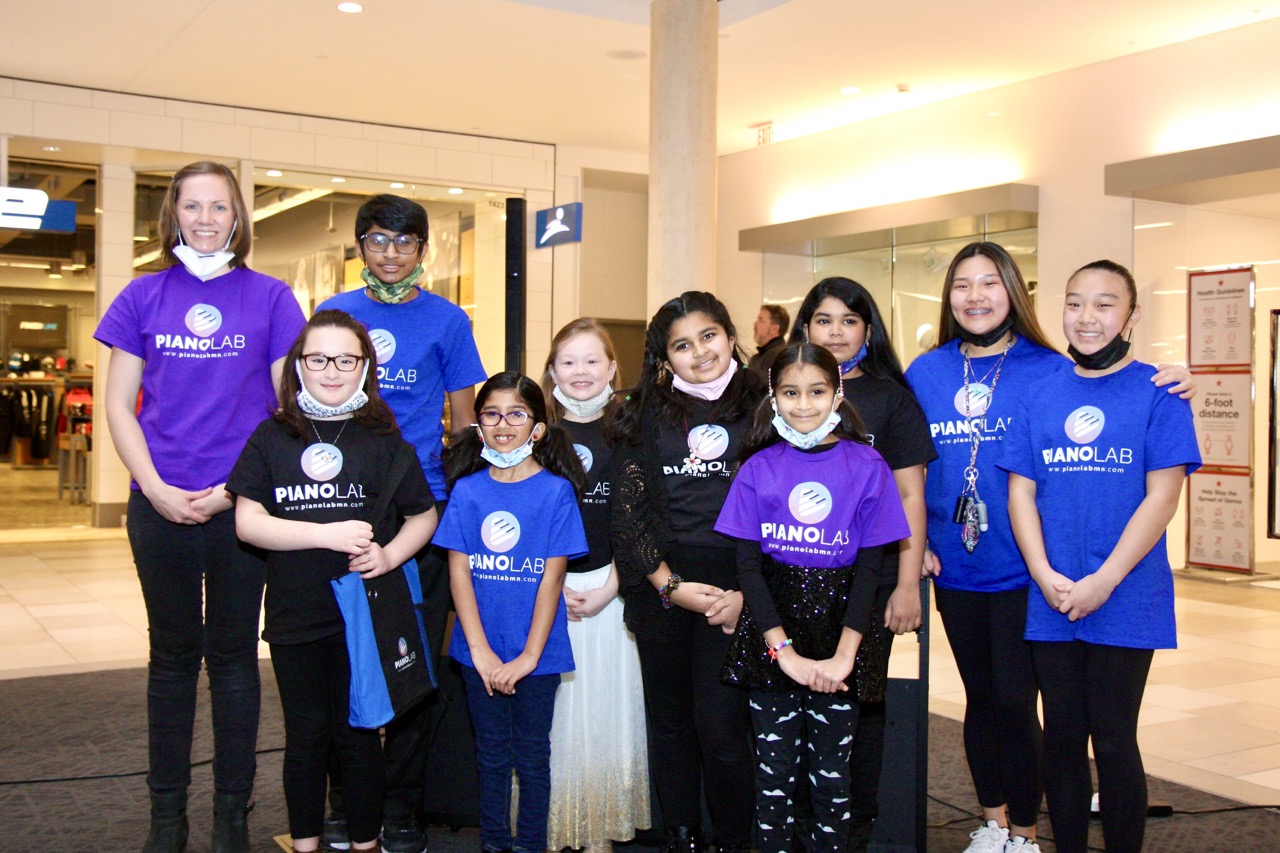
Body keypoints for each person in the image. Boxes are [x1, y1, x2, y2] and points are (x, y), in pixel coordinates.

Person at [904, 242, 1193, 853]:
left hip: (1075, 580)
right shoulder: (949, 375)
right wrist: (919, 544)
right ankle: (1004, 827)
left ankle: (1035, 834)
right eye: (962, 284)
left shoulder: (1071, 376)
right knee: (1021, 716)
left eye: (990, 282)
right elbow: (926, 470)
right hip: (1000, 576)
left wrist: (1181, 376)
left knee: (1082, 726)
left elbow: (1155, 487)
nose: (975, 296)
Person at [95, 160, 306, 853]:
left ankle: (228, 815)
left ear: (239, 217)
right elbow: (118, 406)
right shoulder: (141, 295)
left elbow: (287, 410)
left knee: (237, 659)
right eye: (194, 206)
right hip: (158, 502)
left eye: (220, 207)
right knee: (172, 658)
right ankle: (166, 817)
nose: (207, 218)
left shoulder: (273, 298)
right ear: (173, 215)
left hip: (239, 507)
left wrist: (233, 490)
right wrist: (153, 486)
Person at [1001, 260, 1199, 853]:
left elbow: (1162, 498)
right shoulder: (1040, 393)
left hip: (1128, 591)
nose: (1087, 317)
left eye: (1105, 304)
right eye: (1075, 302)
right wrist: (1044, 575)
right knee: (1061, 736)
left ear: (1132, 315)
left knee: (1113, 739)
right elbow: (1021, 492)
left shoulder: (1160, 393)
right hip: (1053, 592)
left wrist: (1105, 580)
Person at [228, 310, 439, 853]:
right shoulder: (273, 434)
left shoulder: (384, 439)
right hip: (296, 612)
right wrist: (328, 534)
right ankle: (305, 845)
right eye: (318, 358)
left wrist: (390, 556)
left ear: (364, 367)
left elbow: (424, 515)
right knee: (305, 737)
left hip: (365, 612)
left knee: (359, 734)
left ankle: (366, 843)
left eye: (346, 360)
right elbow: (248, 523)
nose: (331, 370)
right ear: (299, 365)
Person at [316, 194, 486, 853]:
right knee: (345, 658)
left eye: (404, 241)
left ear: (423, 249)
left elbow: (466, 424)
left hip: (425, 510)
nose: (391, 252)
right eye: (378, 240)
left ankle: (403, 806)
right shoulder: (334, 317)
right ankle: (343, 802)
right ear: (360, 244)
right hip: (340, 508)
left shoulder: (447, 320)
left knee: (414, 667)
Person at [717, 342, 910, 853]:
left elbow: (870, 571)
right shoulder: (757, 468)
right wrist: (784, 653)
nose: (804, 405)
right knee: (774, 778)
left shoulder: (869, 466)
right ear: (773, 398)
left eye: (817, 392)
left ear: (838, 393)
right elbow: (748, 569)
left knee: (831, 780)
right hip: (772, 640)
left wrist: (844, 656)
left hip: (840, 641)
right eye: (790, 393)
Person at [610, 291, 762, 853]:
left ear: (729, 336)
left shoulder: (767, 406)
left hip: (738, 585)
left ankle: (733, 840)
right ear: (663, 358)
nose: (699, 352)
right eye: (681, 345)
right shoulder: (642, 412)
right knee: (670, 724)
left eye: (709, 336)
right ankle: (681, 835)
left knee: (722, 730)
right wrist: (670, 585)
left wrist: (745, 593)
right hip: (663, 584)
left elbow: (780, 505)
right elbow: (629, 513)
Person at [790, 277, 935, 849]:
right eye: (824, 320)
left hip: (870, 585)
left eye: (849, 321)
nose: (836, 332)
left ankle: (856, 825)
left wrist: (907, 585)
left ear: (868, 331)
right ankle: (799, 823)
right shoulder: (777, 392)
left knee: (860, 707)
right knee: (793, 704)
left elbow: (909, 497)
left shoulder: (891, 399)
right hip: (793, 582)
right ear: (806, 328)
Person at [436, 371, 589, 853]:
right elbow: (459, 573)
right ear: (478, 425)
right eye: (492, 414)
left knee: (531, 756)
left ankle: (529, 845)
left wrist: (527, 658)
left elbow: (551, 579)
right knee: (491, 757)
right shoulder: (467, 490)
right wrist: (480, 652)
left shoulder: (556, 492)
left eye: (517, 414)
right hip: (477, 653)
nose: (504, 424)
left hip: (537, 656)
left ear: (537, 428)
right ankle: (495, 844)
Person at [540, 319, 650, 852]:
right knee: (555, 720)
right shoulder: (534, 433)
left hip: (613, 593)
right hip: (549, 594)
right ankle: (556, 826)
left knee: (608, 713)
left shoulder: (633, 430)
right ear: (552, 371)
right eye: (568, 361)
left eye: (591, 361)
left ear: (612, 368)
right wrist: (550, 586)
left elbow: (645, 518)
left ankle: (601, 829)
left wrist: (615, 586)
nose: (580, 372)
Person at [748, 303, 790, 378]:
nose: (755, 324)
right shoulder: (758, 357)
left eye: (761, 320)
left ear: (774, 329)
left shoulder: (780, 356)